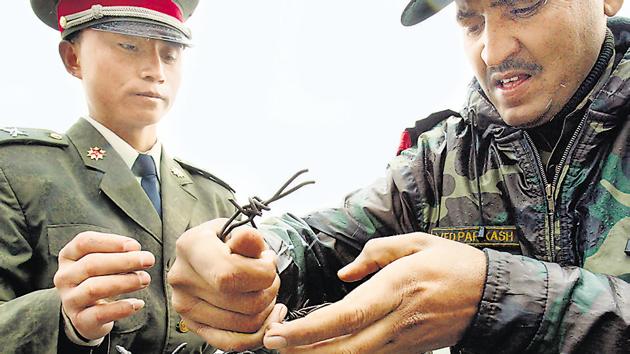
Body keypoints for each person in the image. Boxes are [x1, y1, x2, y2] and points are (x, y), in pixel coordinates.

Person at [167, 0, 630, 353]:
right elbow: (326, 243)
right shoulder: (442, 158)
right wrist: (255, 261)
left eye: (523, 5)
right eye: (470, 19)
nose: (493, 49)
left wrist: (498, 298)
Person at [0, 1, 285, 353]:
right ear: (73, 58)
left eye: (169, 54)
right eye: (129, 46)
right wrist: (65, 321)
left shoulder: (215, 198)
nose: (155, 70)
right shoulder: (16, 173)